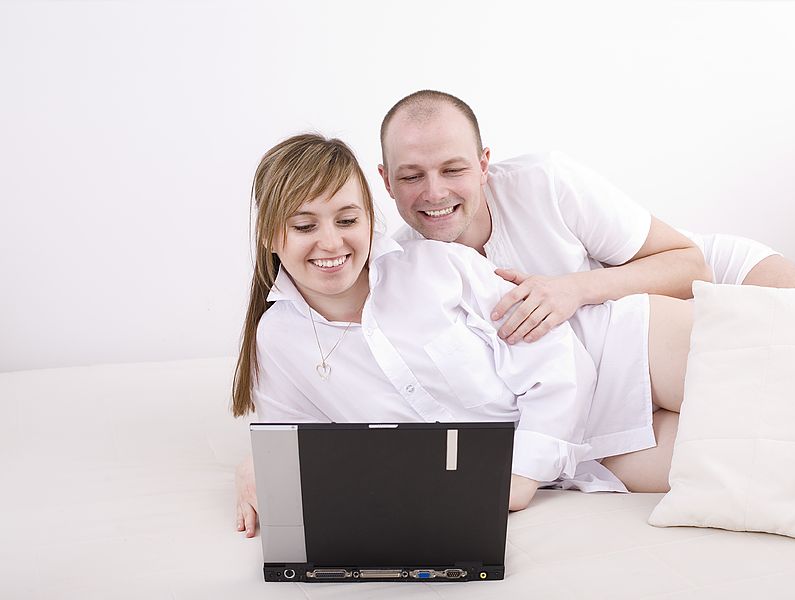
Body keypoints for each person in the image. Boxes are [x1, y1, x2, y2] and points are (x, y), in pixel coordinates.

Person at [233, 133, 694, 538]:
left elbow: (555, 357)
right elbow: (291, 440)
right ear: (272, 235)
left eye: (347, 220)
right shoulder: (278, 339)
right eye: (305, 225)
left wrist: (520, 475)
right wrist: (254, 467)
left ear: (370, 220)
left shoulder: (437, 266)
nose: (331, 243)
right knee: (741, 459)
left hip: (616, 349)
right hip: (586, 452)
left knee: (757, 380)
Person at [379, 90, 795, 346]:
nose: (434, 192)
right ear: (385, 180)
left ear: (483, 164)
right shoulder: (403, 268)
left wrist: (572, 290)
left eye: (453, 169)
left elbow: (691, 263)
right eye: (412, 176)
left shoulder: (545, 180)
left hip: (713, 273)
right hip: (640, 345)